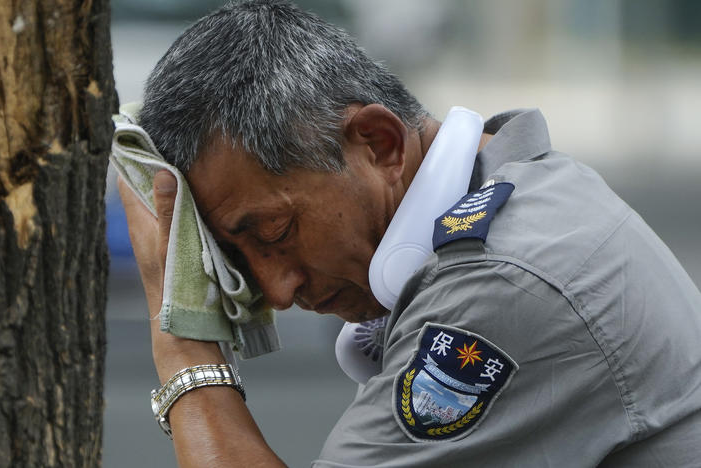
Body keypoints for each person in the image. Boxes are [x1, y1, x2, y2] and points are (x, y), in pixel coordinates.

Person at [118, 1, 701, 466]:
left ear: (379, 143)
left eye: (276, 230)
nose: (276, 289)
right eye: (235, 257)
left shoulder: (497, 283)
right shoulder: (521, 181)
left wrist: (182, 342)